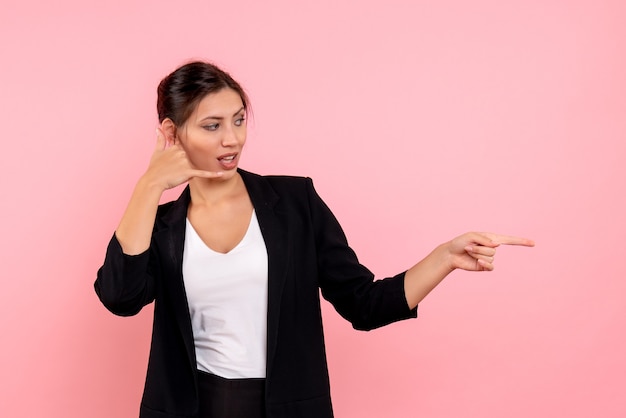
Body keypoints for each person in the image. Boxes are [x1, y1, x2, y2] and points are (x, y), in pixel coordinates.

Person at [95, 61, 534, 418]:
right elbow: (120, 297)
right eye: (212, 126)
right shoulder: (160, 224)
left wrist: (444, 258)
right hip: (188, 408)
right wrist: (149, 187)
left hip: (286, 407)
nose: (232, 139)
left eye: (239, 120)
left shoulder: (294, 202)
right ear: (173, 134)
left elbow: (362, 304)